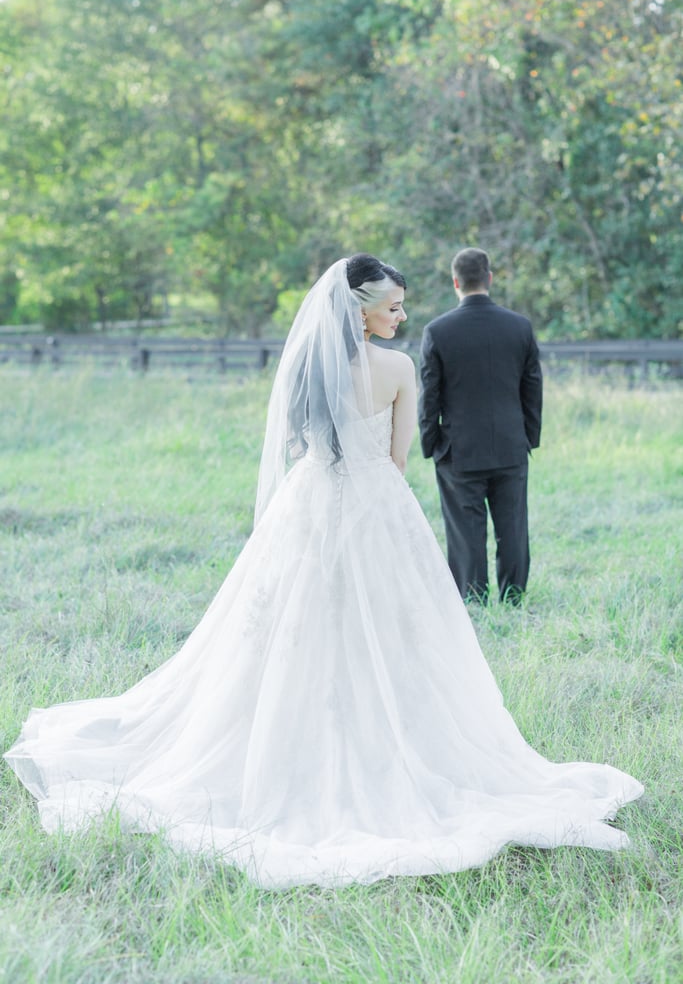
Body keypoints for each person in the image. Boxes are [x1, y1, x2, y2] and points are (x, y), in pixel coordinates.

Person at [5, 254, 641, 889]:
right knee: (389, 627)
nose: (402, 315)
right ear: (360, 311)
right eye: (392, 306)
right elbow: (395, 460)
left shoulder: (307, 366)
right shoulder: (394, 368)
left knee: (290, 623)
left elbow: (295, 444)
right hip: (375, 507)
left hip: (306, 504)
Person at [418, 247, 543, 605]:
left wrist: (431, 445)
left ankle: (472, 602)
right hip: (510, 446)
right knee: (513, 528)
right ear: (489, 278)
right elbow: (532, 389)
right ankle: (514, 598)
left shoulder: (437, 331)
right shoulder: (519, 327)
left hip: (459, 450)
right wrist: (528, 438)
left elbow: (429, 396)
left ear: (455, 282)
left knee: (465, 532)